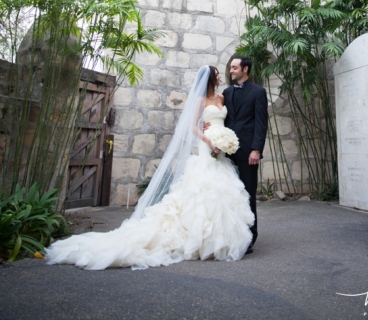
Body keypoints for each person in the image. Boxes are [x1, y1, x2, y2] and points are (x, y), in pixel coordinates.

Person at [45, 66, 254, 270]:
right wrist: (209, 141)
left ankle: (217, 239)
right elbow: (191, 126)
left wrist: (225, 140)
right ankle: (198, 238)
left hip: (222, 150)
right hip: (207, 146)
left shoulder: (222, 98)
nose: (221, 78)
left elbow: (225, 121)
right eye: (217, 75)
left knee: (220, 193)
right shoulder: (200, 99)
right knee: (201, 192)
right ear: (209, 79)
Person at [205, 56, 268, 253]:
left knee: (247, 193)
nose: (231, 71)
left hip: (248, 151)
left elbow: (261, 123)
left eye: (234, 67)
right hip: (226, 152)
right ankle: (231, 234)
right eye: (231, 68)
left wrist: (256, 149)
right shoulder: (226, 92)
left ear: (245, 69)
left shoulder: (259, 92)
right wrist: (204, 126)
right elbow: (217, 116)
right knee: (229, 194)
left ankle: (250, 236)